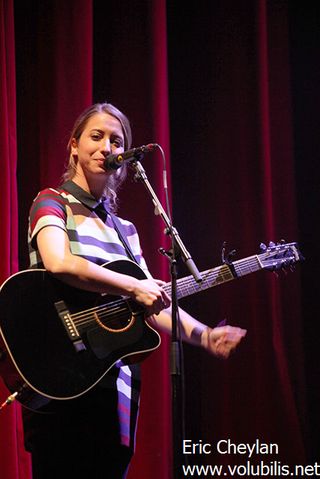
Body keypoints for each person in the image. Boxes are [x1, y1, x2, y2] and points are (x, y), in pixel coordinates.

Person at [22, 102, 246, 478]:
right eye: (96, 136)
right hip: (60, 375)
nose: (107, 147)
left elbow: (151, 303)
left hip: (115, 382)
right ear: (73, 146)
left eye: (116, 141)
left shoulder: (126, 231)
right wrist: (133, 285)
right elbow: (59, 262)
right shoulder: (51, 203)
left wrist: (203, 335)